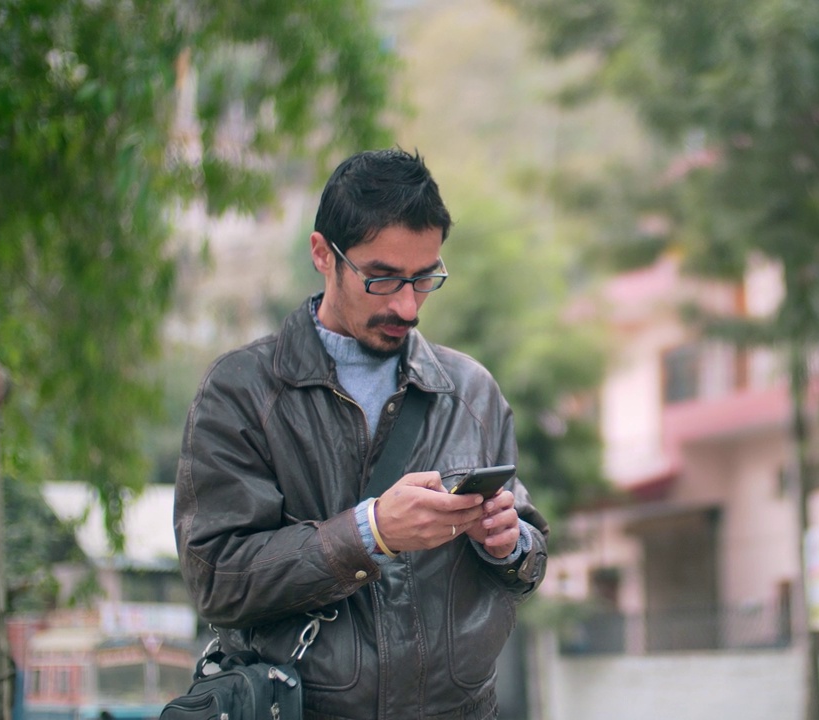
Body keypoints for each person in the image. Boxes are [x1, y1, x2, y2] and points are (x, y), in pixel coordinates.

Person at [173, 148, 548, 720]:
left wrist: (509, 542)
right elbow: (218, 580)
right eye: (382, 279)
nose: (407, 305)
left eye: (425, 278)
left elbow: (530, 557)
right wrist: (368, 532)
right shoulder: (241, 391)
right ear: (323, 254)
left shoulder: (471, 392)